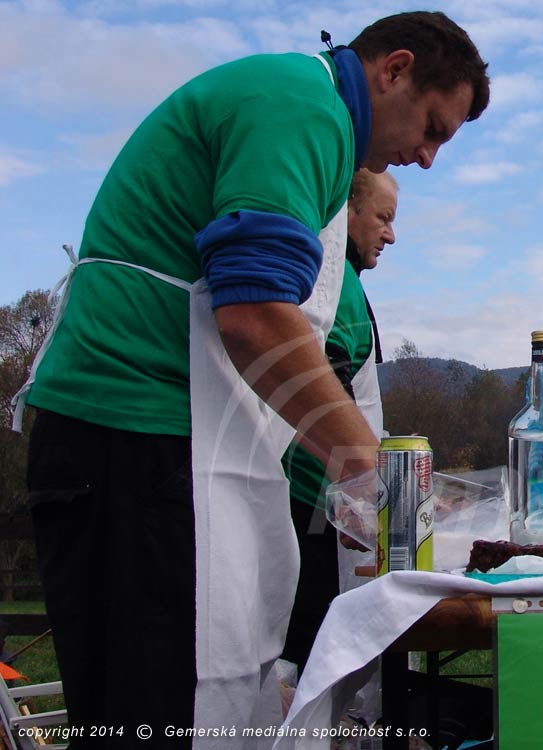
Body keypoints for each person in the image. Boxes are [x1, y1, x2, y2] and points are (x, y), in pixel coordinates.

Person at [15, 11, 488, 746]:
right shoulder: (301, 105)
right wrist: (377, 479)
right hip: (134, 439)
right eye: (433, 128)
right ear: (394, 69)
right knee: (154, 710)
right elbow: (257, 314)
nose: (427, 158)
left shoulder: (315, 119)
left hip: (174, 445)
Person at [281, 168, 397, 671]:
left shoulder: (341, 281)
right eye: (383, 218)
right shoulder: (335, 283)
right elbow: (327, 398)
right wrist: (365, 500)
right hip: (320, 511)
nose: (391, 234)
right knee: (310, 660)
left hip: (327, 504)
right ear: (347, 210)